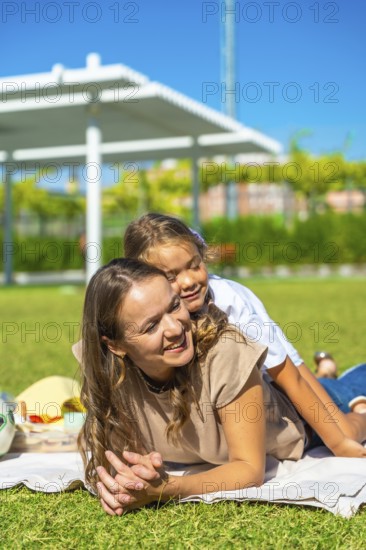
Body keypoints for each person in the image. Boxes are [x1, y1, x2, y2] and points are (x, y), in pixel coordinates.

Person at [78, 258, 366, 516]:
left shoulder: (226, 352)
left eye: (174, 306)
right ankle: (328, 370)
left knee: (352, 416)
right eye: (151, 326)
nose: (176, 328)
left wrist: (168, 488)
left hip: (305, 418)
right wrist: (124, 482)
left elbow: (249, 470)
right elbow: (111, 454)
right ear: (114, 345)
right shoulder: (108, 373)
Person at [120, 213, 366, 419]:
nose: (188, 282)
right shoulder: (152, 316)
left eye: (195, 265)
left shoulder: (228, 301)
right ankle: (327, 368)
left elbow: (290, 375)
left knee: (342, 394)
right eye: (171, 277)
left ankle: (332, 377)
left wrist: (342, 439)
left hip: (283, 387)